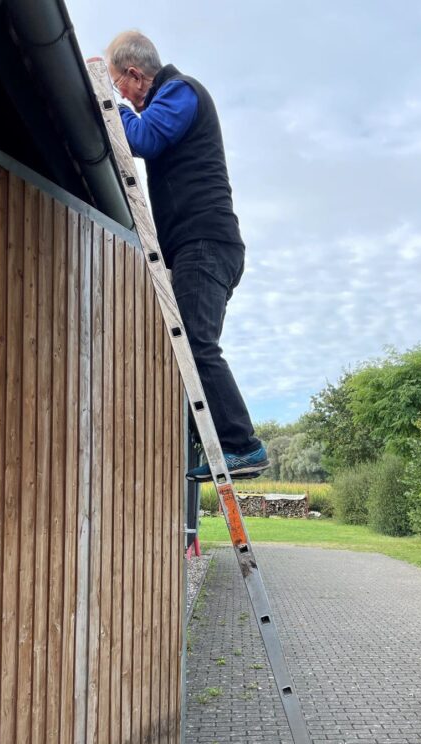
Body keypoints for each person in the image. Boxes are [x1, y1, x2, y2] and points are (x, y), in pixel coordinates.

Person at [105, 30, 269, 479]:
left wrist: (108, 101)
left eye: (121, 85)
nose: (127, 98)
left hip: (206, 244)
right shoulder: (173, 98)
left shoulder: (181, 91)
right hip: (201, 247)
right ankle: (221, 443)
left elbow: (142, 139)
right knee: (189, 348)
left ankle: (242, 445)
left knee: (197, 344)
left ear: (136, 75)